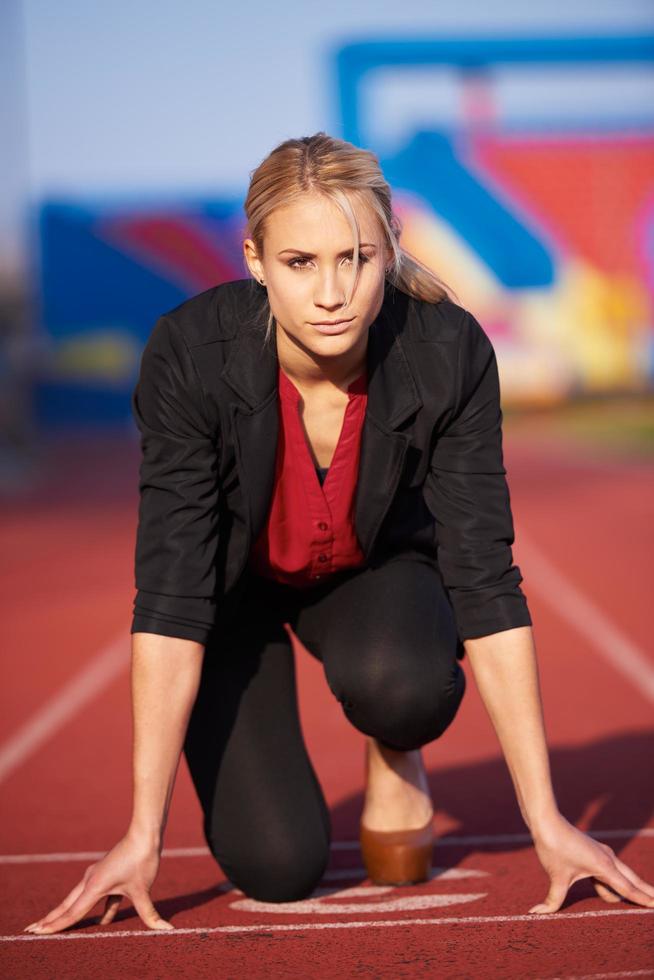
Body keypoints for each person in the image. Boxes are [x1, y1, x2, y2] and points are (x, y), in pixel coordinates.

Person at [25, 132, 654, 935]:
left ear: (390, 251)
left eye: (356, 257)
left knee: (409, 687)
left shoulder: (446, 350)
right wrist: (140, 836)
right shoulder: (190, 355)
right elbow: (174, 593)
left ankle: (395, 746)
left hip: (369, 574)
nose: (332, 292)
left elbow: (484, 578)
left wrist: (548, 824)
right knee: (278, 869)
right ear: (254, 260)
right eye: (300, 263)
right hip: (234, 601)